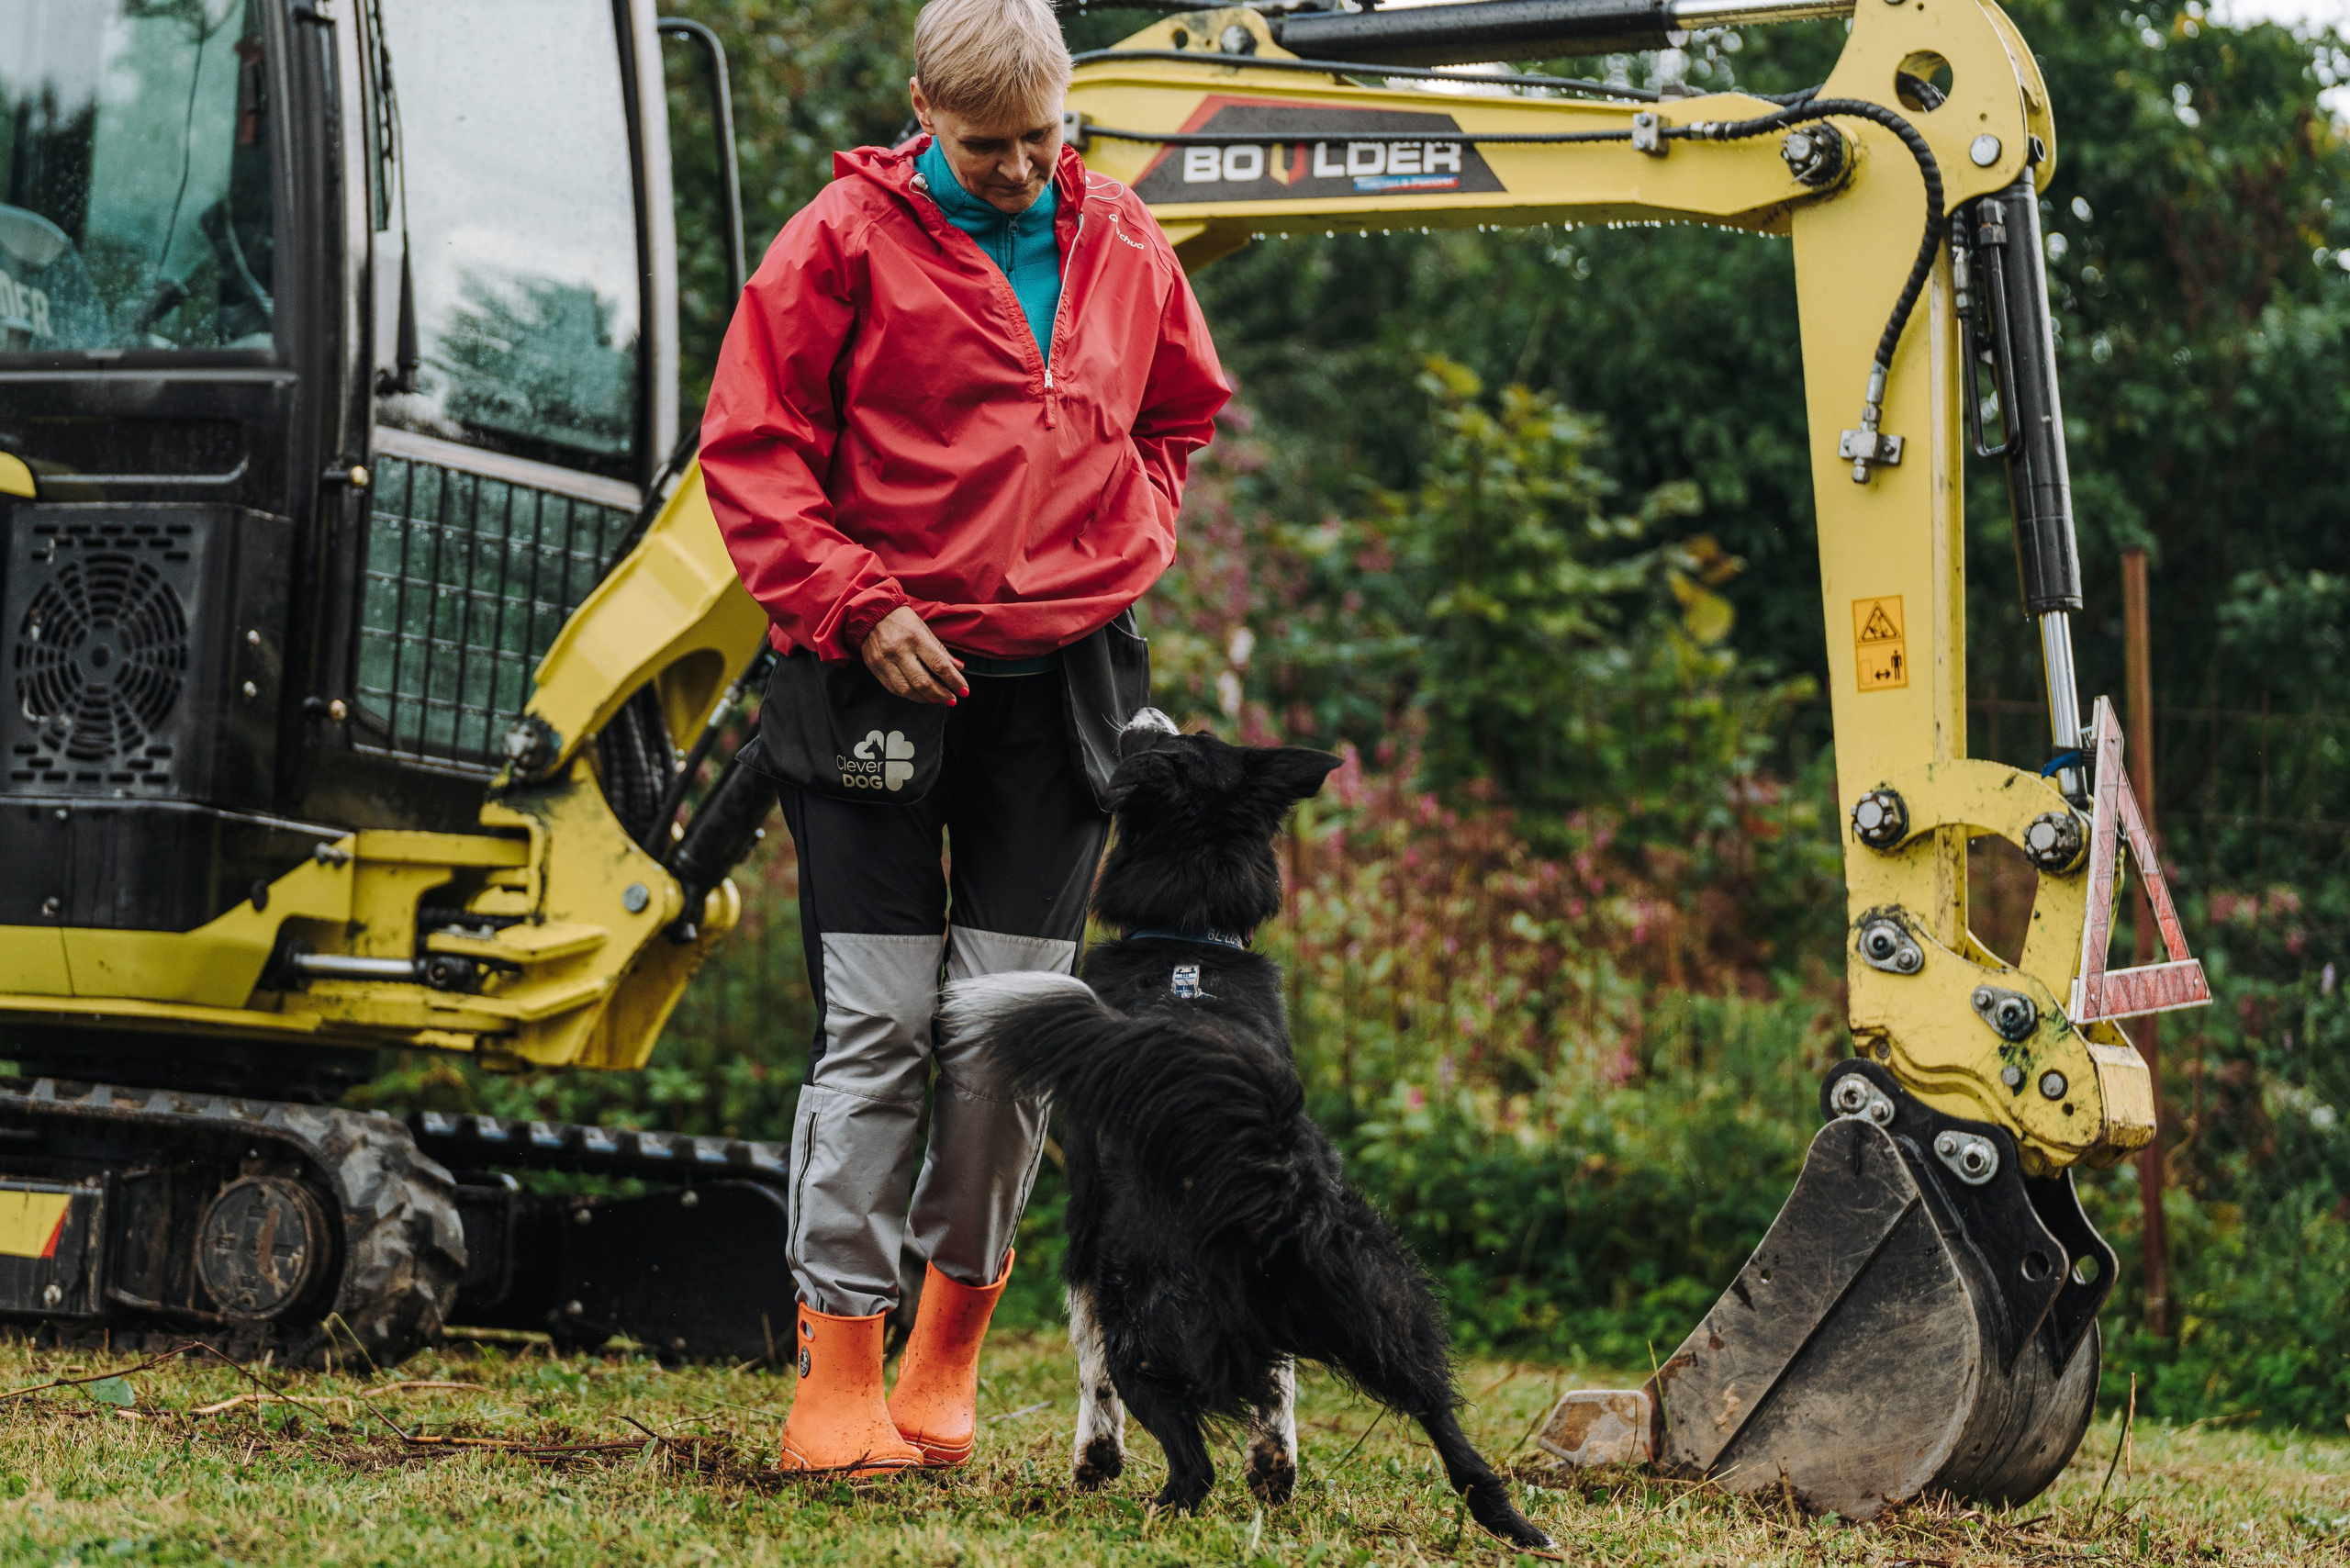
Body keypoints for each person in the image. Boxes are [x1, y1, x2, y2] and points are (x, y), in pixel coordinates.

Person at [699, 0, 1228, 1477]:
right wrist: (859, 606)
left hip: (1061, 686)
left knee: (1008, 1028)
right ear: (920, 105)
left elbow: (1180, 418)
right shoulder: (837, 242)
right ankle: (838, 1365)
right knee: (876, 1026)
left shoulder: (1124, 240)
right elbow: (751, 451)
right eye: (983, 144)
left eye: (1040, 140)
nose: (1012, 169)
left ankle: (946, 1351)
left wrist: (1131, 538)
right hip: (873, 672)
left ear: (1070, 112)